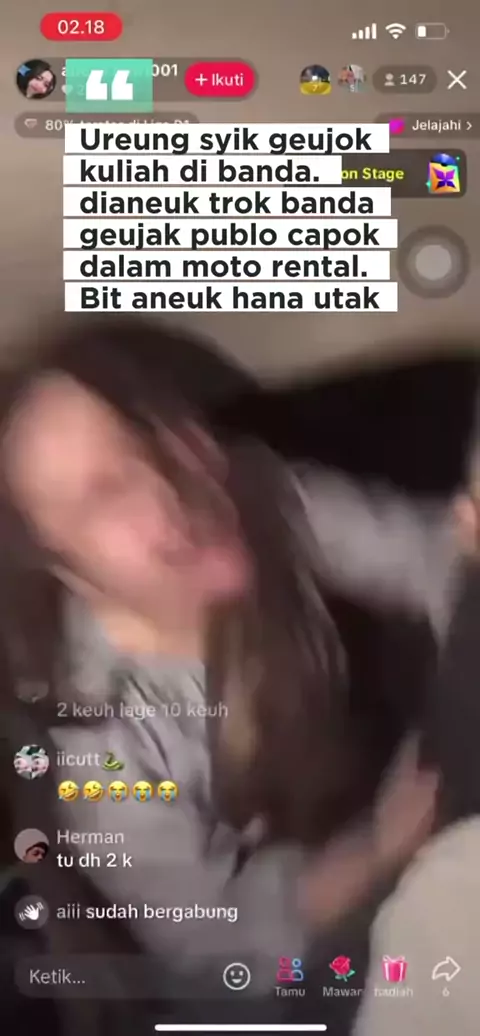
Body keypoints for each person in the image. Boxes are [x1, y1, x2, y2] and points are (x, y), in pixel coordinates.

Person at [0, 317, 471, 1026]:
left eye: (149, 433)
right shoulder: (103, 753)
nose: (167, 492)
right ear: (70, 572)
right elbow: (220, 943)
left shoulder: (262, 498)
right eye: (104, 496)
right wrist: (381, 846)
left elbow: (434, 563)